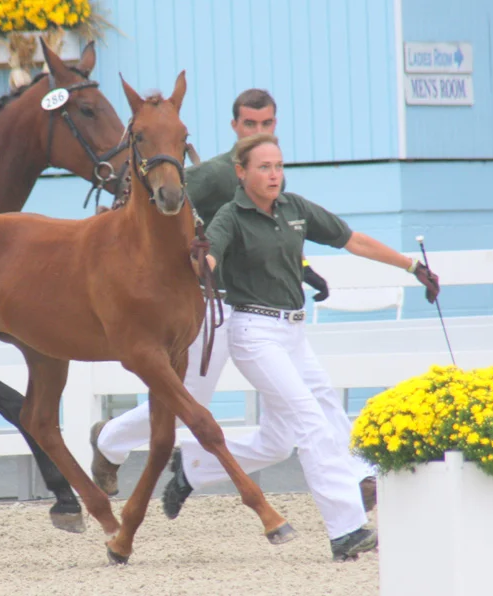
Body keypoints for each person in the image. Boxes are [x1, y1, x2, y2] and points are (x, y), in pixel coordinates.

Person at [167, 133, 440, 561]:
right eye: (264, 167)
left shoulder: (294, 208)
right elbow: (210, 259)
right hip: (254, 334)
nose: (274, 175)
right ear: (241, 172)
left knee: (278, 441)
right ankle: (346, 530)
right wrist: (202, 260)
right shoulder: (229, 217)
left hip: (294, 334)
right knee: (313, 423)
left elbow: (353, 240)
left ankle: (192, 466)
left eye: (278, 166)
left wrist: (412, 266)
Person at [88, 88, 339, 494]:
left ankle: (355, 476)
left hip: (258, 309)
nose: (257, 130)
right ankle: (109, 440)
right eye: (249, 124)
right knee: (185, 399)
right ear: (234, 126)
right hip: (211, 306)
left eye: (266, 123)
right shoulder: (217, 173)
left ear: (275, 124)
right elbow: (154, 200)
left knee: (317, 390)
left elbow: (269, 235)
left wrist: (303, 266)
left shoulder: (269, 169)